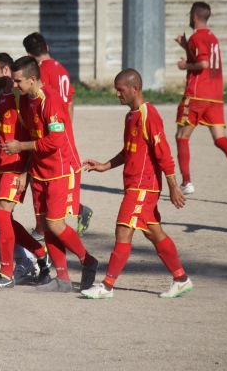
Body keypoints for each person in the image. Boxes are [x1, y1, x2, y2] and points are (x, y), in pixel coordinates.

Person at [80, 68, 193, 300]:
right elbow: (129, 151)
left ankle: (107, 286)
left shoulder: (148, 114)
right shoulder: (131, 116)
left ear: (135, 89)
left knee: (123, 230)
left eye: (120, 90)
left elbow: (163, 153)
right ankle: (181, 279)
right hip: (136, 185)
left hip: (143, 186)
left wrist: (173, 185)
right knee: (154, 233)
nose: (116, 94)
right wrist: (105, 165)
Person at [1, 56, 98, 293]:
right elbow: (29, 134)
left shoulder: (51, 100)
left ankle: (88, 260)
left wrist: (20, 147)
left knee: (55, 224)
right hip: (40, 170)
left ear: (32, 79)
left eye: (18, 81)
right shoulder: (25, 99)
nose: (15, 85)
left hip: (61, 170)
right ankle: (63, 278)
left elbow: (54, 142)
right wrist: (25, 170)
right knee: (45, 225)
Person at [0, 52, 51, 289]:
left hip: (17, 167)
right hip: (1, 167)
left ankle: (6, 273)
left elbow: (35, 137)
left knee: (1, 216)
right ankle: (41, 253)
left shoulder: (22, 100)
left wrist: (25, 172)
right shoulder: (1, 95)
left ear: (6, 70)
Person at [174, 1, 227, 199]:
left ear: (193, 17)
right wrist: (186, 47)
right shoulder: (212, 38)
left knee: (181, 136)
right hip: (215, 97)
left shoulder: (196, 37)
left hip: (196, 95)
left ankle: (186, 182)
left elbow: (203, 63)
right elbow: (203, 58)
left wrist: (184, 66)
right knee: (220, 138)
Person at [23, 32, 93, 237]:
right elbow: (69, 101)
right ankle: (74, 213)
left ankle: (41, 229)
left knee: (48, 182)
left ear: (28, 53)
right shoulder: (61, 68)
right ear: (47, 46)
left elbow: (44, 102)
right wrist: (66, 126)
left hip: (49, 130)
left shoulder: (39, 73)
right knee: (54, 187)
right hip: (61, 127)